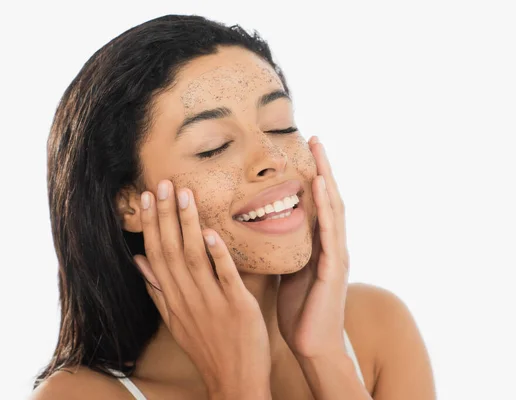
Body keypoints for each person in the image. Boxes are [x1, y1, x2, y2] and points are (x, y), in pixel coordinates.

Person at [30, 14, 435, 399]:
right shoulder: (78, 395)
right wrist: (237, 385)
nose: (272, 157)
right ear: (128, 202)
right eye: (214, 147)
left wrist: (325, 357)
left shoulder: (377, 328)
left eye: (281, 125)